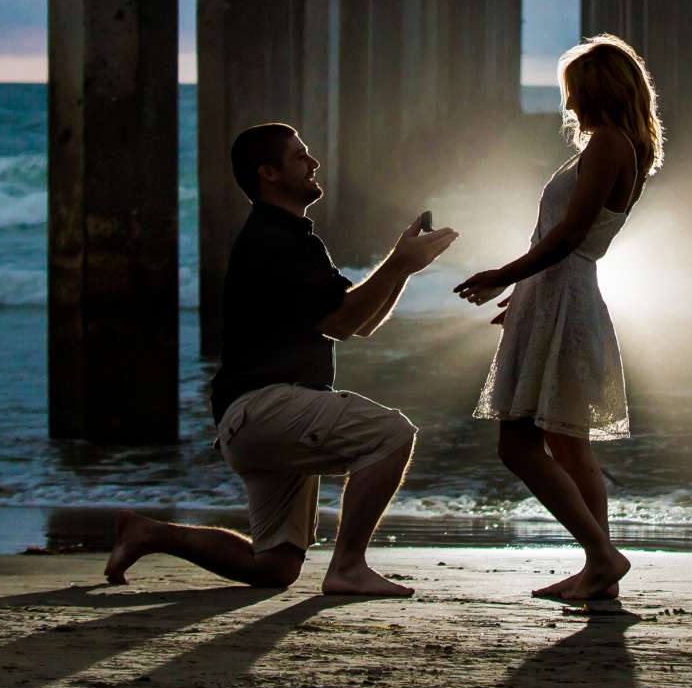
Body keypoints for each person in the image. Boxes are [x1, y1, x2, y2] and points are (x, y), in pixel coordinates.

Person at [105, 123, 457, 597]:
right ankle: (348, 566)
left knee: (273, 566)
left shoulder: (289, 238)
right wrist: (397, 262)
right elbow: (340, 321)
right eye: (300, 157)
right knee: (392, 435)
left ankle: (148, 532)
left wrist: (405, 266)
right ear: (268, 174)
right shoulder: (278, 240)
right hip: (268, 408)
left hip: (254, 419)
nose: (313, 164)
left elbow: (360, 323)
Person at [454, 34, 661, 603]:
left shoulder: (607, 147)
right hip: (557, 295)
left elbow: (571, 236)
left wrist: (504, 274)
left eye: (571, 90)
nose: (566, 103)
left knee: (522, 444)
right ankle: (600, 570)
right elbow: (565, 238)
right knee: (567, 444)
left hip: (566, 294)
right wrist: (525, 295)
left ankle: (601, 556)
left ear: (593, 90)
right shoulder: (614, 146)